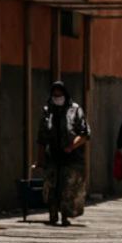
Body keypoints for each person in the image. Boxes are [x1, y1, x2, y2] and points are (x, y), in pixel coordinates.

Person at [37, 80, 90, 225]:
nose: (57, 97)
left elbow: (85, 134)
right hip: (52, 154)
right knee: (51, 186)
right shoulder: (48, 110)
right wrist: (39, 160)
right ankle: (52, 214)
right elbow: (41, 137)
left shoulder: (75, 109)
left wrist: (72, 146)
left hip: (71, 156)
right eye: (55, 94)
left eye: (60, 94)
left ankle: (65, 215)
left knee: (69, 188)